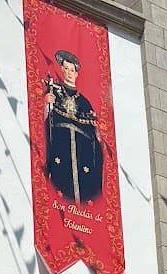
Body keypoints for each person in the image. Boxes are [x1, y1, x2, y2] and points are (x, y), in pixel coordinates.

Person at [42, 50, 102, 203]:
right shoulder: (54, 91)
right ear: (62, 70)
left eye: (72, 70)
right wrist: (47, 105)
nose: (69, 73)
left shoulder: (85, 102)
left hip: (82, 157)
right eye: (66, 69)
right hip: (61, 152)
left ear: (77, 74)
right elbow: (47, 123)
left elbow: (94, 136)